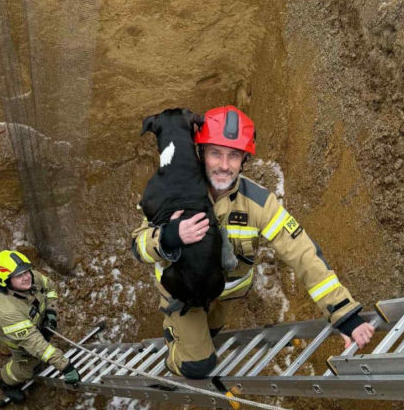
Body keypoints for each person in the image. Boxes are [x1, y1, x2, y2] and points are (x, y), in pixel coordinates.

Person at [131, 105, 375, 378]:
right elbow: (138, 246)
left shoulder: (258, 203)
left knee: (210, 333)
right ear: (200, 152)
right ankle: (175, 348)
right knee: (197, 366)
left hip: (223, 296)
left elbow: (302, 253)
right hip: (182, 293)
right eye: (215, 153)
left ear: (244, 159)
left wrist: (345, 315)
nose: (224, 166)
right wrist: (169, 236)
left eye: (233, 156)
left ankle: (197, 337)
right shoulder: (170, 191)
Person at [0, 250, 80, 403]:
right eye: (19, 276)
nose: (26, 277)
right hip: (22, 342)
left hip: (35, 325)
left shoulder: (32, 279)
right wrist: (65, 367)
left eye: (26, 271)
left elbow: (51, 288)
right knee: (26, 368)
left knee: (42, 350)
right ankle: (6, 382)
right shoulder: (6, 311)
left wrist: (51, 312)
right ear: (5, 280)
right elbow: (34, 343)